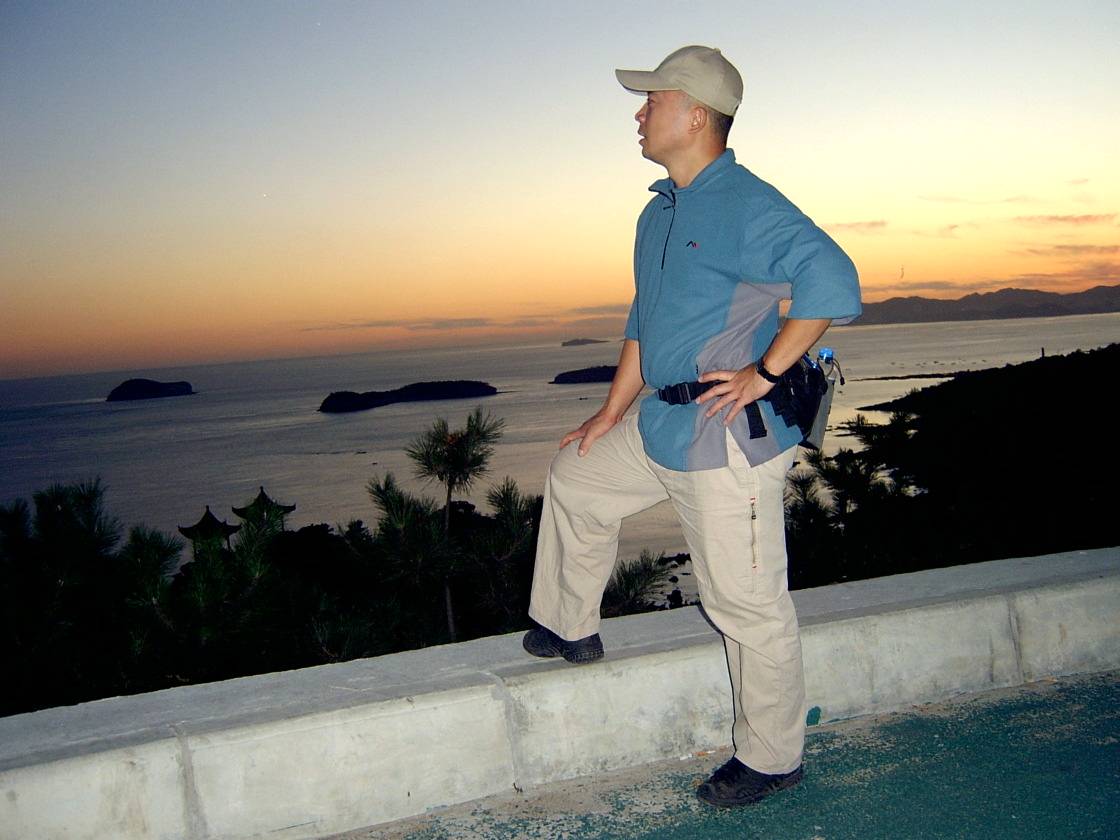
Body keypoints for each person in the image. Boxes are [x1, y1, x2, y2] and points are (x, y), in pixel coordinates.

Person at [522, 45, 861, 808]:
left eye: (654, 100)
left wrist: (764, 373)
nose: (639, 113)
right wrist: (611, 410)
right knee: (577, 474)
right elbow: (643, 320)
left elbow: (834, 281)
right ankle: (569, 624)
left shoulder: (746, 203)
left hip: (726, 438)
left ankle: (772, 758)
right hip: (661, 420)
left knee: (744, 605)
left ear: (698, 115)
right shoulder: (659, 212)